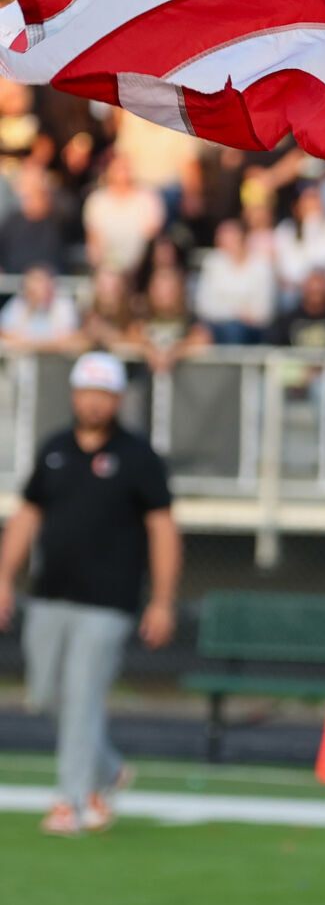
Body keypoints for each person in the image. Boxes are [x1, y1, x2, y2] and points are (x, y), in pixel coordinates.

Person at [0, 351, 181, 836]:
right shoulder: (55, 446)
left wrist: (162, 600)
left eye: (103, 393)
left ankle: (71, 802)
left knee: (82, 697)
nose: (94, 402)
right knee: (44, 694)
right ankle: (106, 770)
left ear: (117, 398)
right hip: (50, 593)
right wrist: (3, 576)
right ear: (75, 393)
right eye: (87, 391)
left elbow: (163, 529)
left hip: (109, 601)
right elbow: (27, 515)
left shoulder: (139, 457)